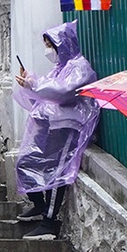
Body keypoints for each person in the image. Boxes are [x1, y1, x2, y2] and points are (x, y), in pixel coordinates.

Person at [14, 21, 100, 239]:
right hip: (51, 127)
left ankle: (50, 222)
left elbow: (63, 92)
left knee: (57, 175)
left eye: (49, 45)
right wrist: (30, 82)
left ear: (62, 44)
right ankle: (39, 205)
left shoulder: (79, 67)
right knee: (26, 162)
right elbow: (46, 87)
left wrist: (34, 86)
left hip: (68, 130)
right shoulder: (60, 67)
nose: (48, 51)